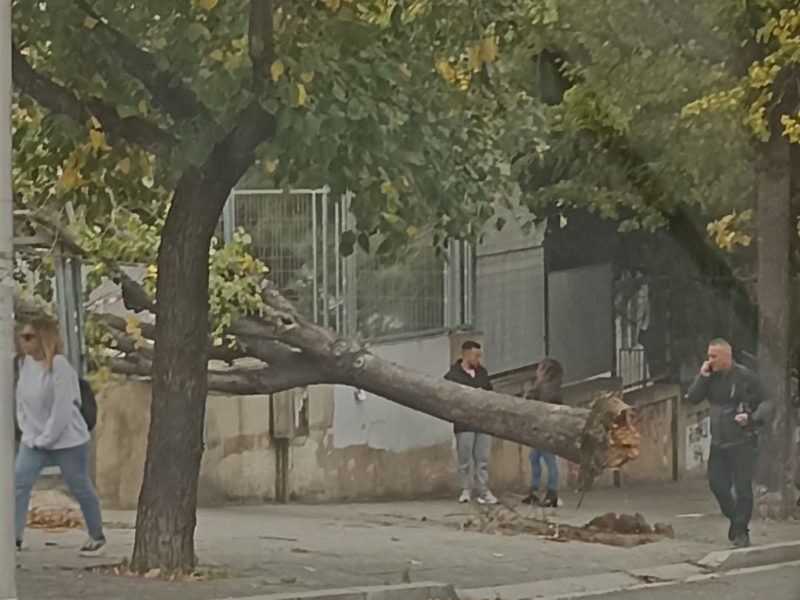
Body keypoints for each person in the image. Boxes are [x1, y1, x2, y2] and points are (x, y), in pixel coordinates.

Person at [14, 312, 106, 556]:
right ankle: (14, 536)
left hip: (68, 440)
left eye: (29, 337)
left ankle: (96, 534)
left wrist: (47, 438)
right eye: (22, 337)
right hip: (33, 440)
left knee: (79, 485)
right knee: (18, 484)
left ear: (43, 337)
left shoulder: (59, 366)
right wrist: (29, 433)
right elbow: (21, 402)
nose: (23, 342)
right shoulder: (24, 364)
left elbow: (62, 408)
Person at [687, 338, 772, 548]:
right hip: (719, 442)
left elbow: (767, 401)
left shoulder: (745, 377)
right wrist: (702, 376)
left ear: (726, 357)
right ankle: (736, 521)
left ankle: (741, 531)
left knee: (743, 488)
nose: (710, 360)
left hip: (742, 441)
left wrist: (751, 418)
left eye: (714, 356)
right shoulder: (709, 377)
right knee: (717, 485)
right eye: (708, 356)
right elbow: (693, 398)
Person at [444, 341, 498, 505]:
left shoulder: (482, 373)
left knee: (482, 460)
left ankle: (484, 491)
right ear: (466, 355)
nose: (478, 359)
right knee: (464, 459)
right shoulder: (453, 375)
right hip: (464, 424)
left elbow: (490, 393)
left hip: (482, 423)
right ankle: (465, 490)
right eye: (475, 355)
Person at [522, 358, 564, 508]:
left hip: (547, 430)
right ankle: (534, 490)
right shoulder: (543, 385)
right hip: (539, 429)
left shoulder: (548, 387)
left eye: (540, 368)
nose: (537, 371)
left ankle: (552, 492)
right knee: (534, 457)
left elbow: (539, 402)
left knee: (549, 459)